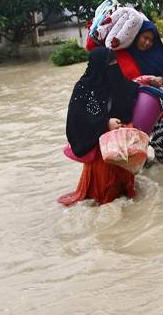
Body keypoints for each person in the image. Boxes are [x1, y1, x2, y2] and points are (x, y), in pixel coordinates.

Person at [59, 47, 139, 206]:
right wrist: (105, 123)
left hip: (121, 152)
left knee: (128, 201)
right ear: (99, 66)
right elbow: (77, 120)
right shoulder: (83, 88)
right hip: (100, 155)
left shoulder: (120, 83)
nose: (115, 66)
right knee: (103, 200)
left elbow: (131, 95)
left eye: (116, 62)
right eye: (110, 63)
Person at [127, 21, 163, 163]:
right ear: (137, 35)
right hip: (130, 112)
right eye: (145, 37)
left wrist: (161, 79)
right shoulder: (126, 54)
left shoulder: (157, 55)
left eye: (151, 40)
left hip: (154, 112)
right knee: (135, 156)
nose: (147, 43)